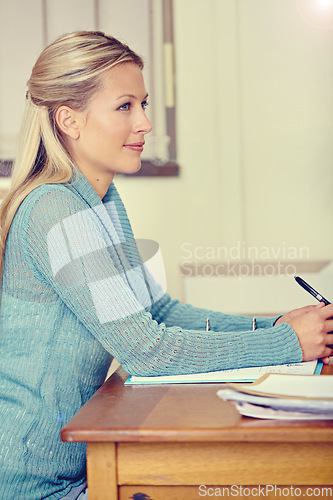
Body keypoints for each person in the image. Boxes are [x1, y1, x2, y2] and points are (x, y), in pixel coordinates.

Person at [0, 31, 332, 500]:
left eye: (144, 104)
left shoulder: (99, 199)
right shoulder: (56, 209)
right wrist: (284, 343)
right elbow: (148, 351)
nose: (146, 123)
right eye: (125, 107)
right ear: (69, 120)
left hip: (80, 464)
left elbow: (159, 312)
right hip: (37, 483)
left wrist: (270, 325)